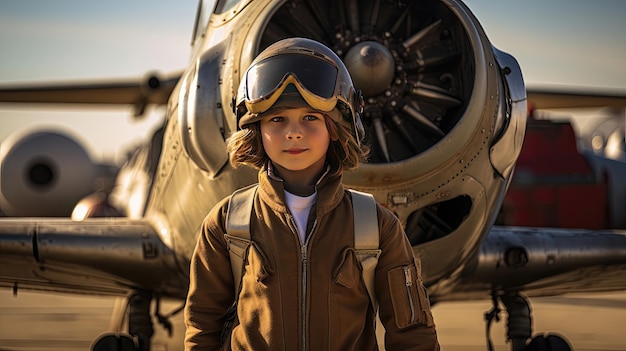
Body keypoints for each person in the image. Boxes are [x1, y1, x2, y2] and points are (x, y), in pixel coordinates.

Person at [184, 37, 439, 351]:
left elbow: (412, 333)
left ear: (335, 127)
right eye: (277, 119)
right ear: (256, 129)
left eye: (310, 117)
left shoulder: (376, 226)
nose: (293, 132)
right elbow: (201, 327)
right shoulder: (227, 223)